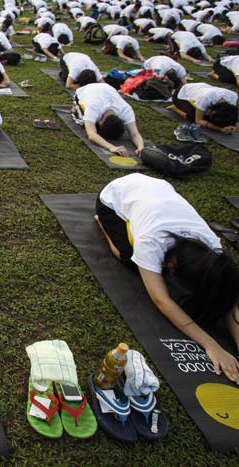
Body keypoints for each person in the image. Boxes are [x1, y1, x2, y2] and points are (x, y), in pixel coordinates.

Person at [94, 173, 239, 383]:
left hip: (156, 191)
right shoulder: (151, 242)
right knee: (129, 259)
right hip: (114, 197)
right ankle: (102, 224)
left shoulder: (211, 247)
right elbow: (161, 299)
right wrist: (211, 345)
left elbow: (230, 296)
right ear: (173, 266)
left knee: (215, 285)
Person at [72, 82, 144, 157]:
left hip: (106, 86)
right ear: (100, 122)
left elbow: (135, 134)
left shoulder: (126, 110)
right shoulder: (93, 107)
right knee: (82, 122)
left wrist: (141, 147)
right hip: (84, 89)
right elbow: (92, 135)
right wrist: (112, 147)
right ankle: (74, 107)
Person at [168, 83, 238, 134]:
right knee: (193, 116)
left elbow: (231, 115)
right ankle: (175, 108)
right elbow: (198, 121)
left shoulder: (234, 97)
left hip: (200, 89)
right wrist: (219, 128)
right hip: (181, 94)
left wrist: (231, 126)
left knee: (209, 117)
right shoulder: (206, 98)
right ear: (214, 112)